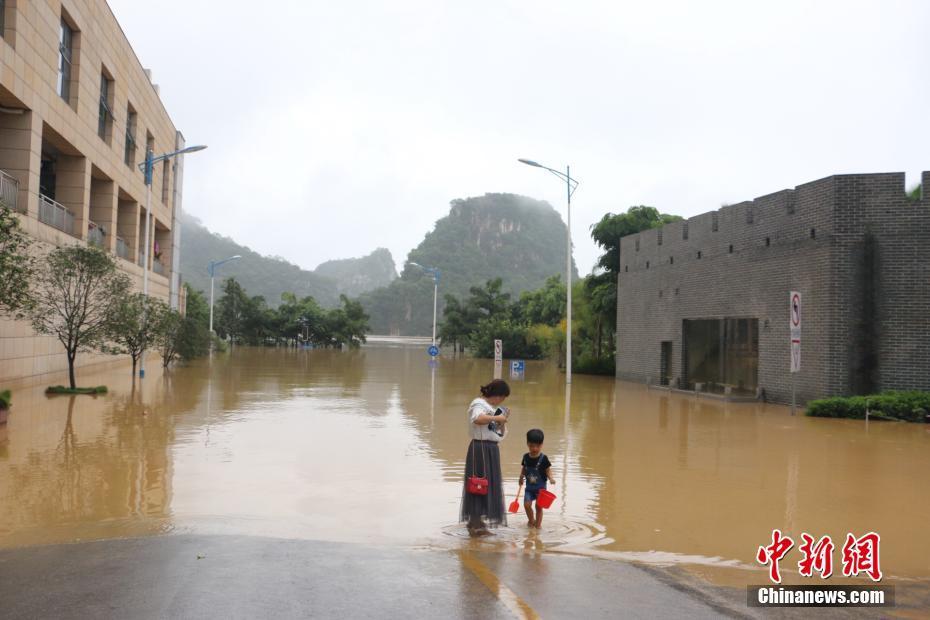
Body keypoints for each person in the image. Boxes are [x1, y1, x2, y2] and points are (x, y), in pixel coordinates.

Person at [460, 379, 511, 535]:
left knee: (488, 484)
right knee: (478, 483)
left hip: (491, 449)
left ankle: (477, 522)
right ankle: (475, 523)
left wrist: (502, 421)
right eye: (502, 397)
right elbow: (477, 419)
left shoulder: (491, 409)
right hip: (480, 448)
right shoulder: (479, 404)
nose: (502, 400)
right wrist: (497, 418)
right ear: (497, 394)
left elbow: (498, 433)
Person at [520, 428, 554, 529]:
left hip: (541, 489)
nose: (534, 449)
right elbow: (524, 468)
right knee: (526, 505)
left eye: (537, 446)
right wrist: (521, 477)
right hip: (529, 489)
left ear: (541, 444)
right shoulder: (525, 457)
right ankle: (531, 520)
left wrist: (551, 478)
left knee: (538, 507)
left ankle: (538, 527)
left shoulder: (544, 459)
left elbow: (548, 470)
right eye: (531, 446)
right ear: (527, 444)